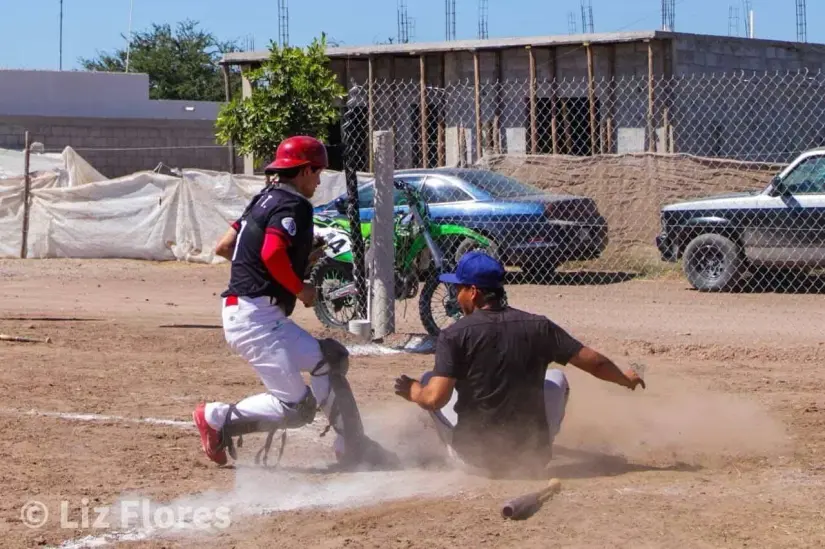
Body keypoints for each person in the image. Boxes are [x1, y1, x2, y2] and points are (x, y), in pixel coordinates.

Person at [194, 135, 395, 469]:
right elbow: (271, 252)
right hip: (255, 318)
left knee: (330, 359)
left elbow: (226, 246)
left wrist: (289, 265)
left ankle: (353, 446)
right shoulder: (294, 204)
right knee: (297, 409)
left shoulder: (264, 197)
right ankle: (216, 419)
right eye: (316, 172)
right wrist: (299, 288)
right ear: (303, 170)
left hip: (256, 312)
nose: (318, 180)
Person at [393, 251, 645, 477]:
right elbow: (596, 363)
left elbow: (434, 399)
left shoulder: (455, 334)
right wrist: (625, 379)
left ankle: (451, 449)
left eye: (459, 288)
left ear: (473, 291)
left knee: (428, 381)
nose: (457, 296)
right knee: (557, 378)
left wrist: (412, 390)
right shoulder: (539, 326)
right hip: (532, 461)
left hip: (476, 462)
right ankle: (538, 441)